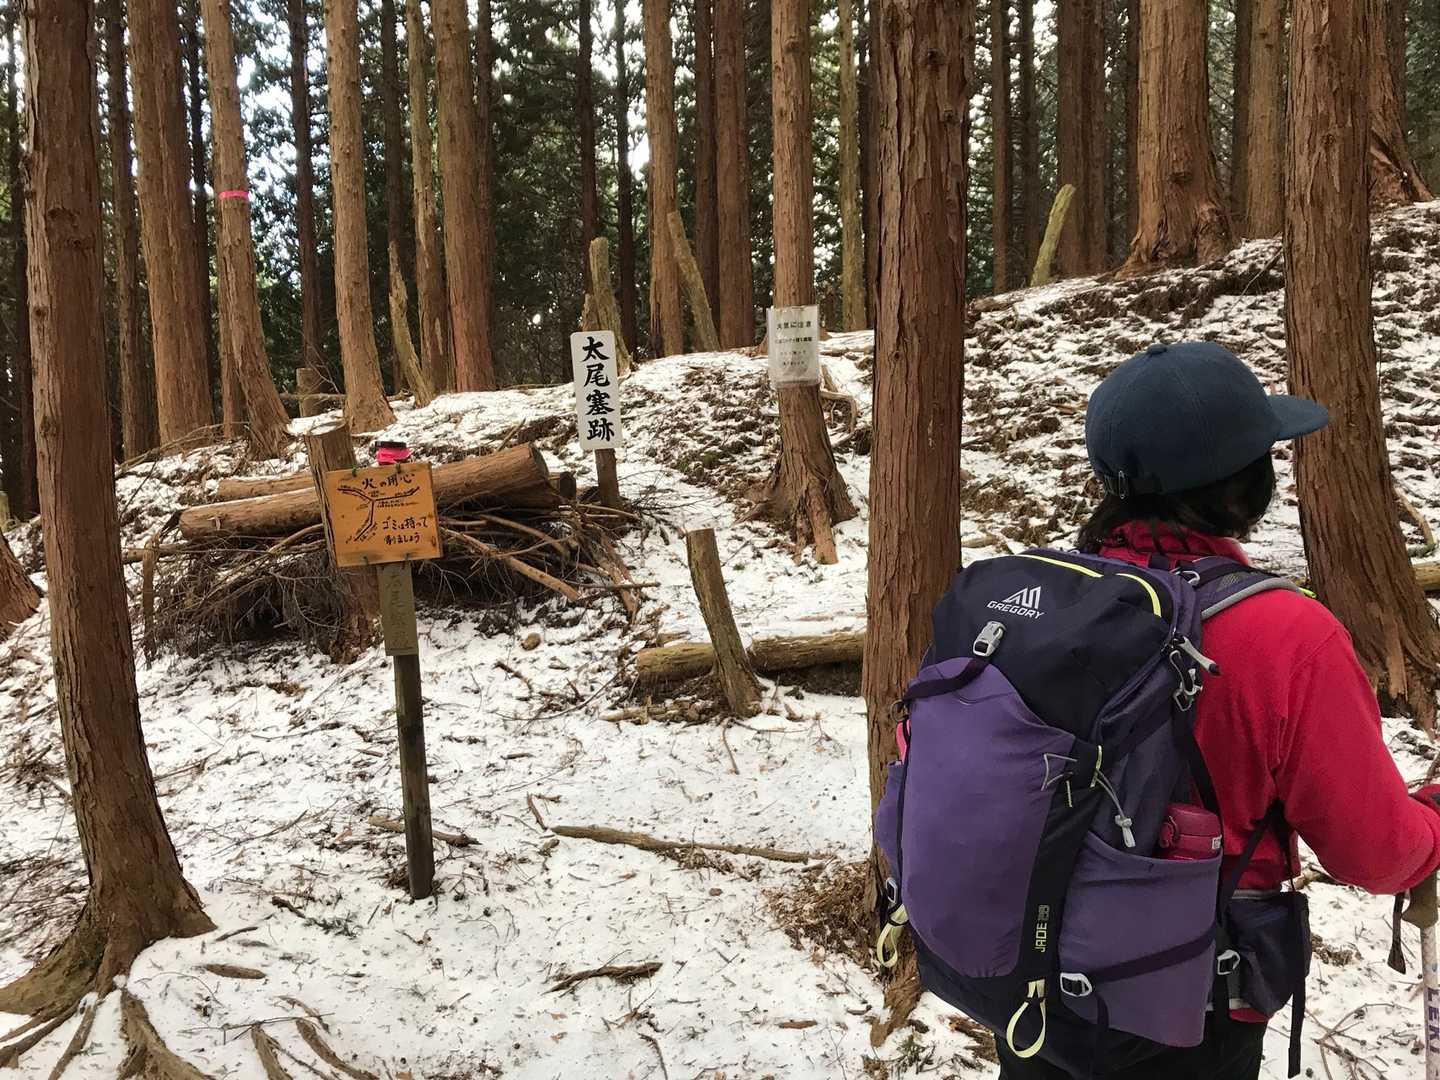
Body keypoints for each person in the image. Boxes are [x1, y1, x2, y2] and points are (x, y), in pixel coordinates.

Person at [995, 341, 1440, 1080]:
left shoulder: (1041, 598)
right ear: (1241, 490)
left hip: (1033, 980)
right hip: (1184, 1005)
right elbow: (1377, 853)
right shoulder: (1286, 635)